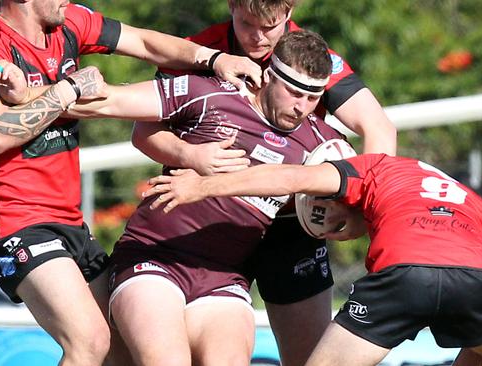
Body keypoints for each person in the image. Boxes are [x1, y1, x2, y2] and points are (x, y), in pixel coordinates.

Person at [0, 1, 261, 365]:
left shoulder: (67, 22)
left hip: (70, 223)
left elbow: (145, 43)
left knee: (124, 350)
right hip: (19, 221)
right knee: (90, 341)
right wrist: (69, 88)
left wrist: (213, 59)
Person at [133, 2, 397, 364]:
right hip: (205, 224)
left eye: (270, 27)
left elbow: (379, 127)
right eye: (246, 24)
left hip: (290, 228)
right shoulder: (198, 50)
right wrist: (189, 155)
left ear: (289, 12)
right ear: (231, 6)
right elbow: (145, 128)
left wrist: (361, 212)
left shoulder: (310, 60)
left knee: (312, 360)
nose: (257, 38)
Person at [60, 29, 345, 366]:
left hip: (224, 277)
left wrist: (335, 218)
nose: (301, 107)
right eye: (293, 92)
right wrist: (189, 154)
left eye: (312, 98)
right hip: (155, 256)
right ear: (269, 76)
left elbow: (360, 205)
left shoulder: (321, 145)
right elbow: (111, 102)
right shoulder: (211, 94)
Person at [144, 154, 482, 366]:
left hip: (404, 274)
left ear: (342, 196)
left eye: (334, 223)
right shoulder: (470, 201)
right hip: (477, 278)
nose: (335, 233)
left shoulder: (372, 168)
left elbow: (288, 179)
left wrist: (202, 186)